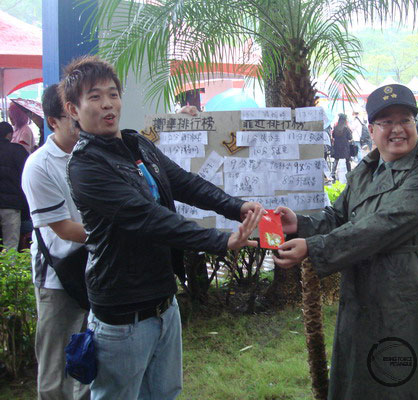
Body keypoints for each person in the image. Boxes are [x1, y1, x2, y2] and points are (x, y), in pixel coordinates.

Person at [61, 55, 263, 399]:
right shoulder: (86, 166)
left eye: (113, 94)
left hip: (163, 301)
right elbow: (146, 217)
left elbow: (185, 183)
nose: (108, 104)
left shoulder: (136, 144)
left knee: (164, 392)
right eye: (95, 97)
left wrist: (237, 206)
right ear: (73, 109)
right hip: (123, 311)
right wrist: (219, 239)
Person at [273, 84, 418, 399]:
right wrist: (299, 224)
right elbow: (338, 217)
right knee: (358, 375)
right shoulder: (366, 171)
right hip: (361, 294)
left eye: (405, 120)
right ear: (371, 129)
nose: (397, 129)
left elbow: (378, 227)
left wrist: (314, 247)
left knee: (398, 378)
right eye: (386, 122)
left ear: (415, 125)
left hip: (403, 298)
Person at [21, 84, 90, 400]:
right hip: (58, 277)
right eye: (72, 118)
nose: (81, 122)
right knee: (55, 368)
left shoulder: (91, 154)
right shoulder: (40, 165)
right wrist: (114, 235)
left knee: (91, 360)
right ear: (53, 121)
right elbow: (63, 228)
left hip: (95, 270)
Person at [0, 121, 28, 250]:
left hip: (10, 202)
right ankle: (10, 270)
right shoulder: (17, 151)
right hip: (11, 205)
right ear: (9, 135)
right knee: (10, 244)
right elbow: (27, 176)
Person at [331, 113, 353, 181]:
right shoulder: (346, 128)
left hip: (337, 147)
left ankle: (333, 173)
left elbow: (333, 136)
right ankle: (349, 172)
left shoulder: (335, 127)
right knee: (347, 160)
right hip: (345, 147)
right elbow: (350, 137)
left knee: (336, 160)